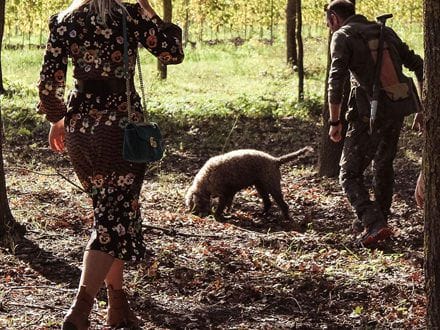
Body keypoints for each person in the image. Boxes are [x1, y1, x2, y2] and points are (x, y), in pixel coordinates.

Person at [37, 0, 183, 328]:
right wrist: (148, 8)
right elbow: (172, 53)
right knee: (112, 216)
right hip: (121, 130)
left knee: (109, 213)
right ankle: (80, 309)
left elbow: (49, 84)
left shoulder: (65, 19)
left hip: (80, 131)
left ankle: (118, 305)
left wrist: (56, 119)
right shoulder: (130, 15)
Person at [325, 0, 423, 246]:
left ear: (334, 18)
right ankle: (381, 222)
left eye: (328, 22)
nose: (328, 27)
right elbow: (420, 65)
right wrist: (423, 106)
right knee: (383, 164)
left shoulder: (342, 36)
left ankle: (373, 223)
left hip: (368, 115)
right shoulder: (383, 31)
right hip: (398, 107)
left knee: (348, 173)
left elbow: (335, 82)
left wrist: (335, 121)